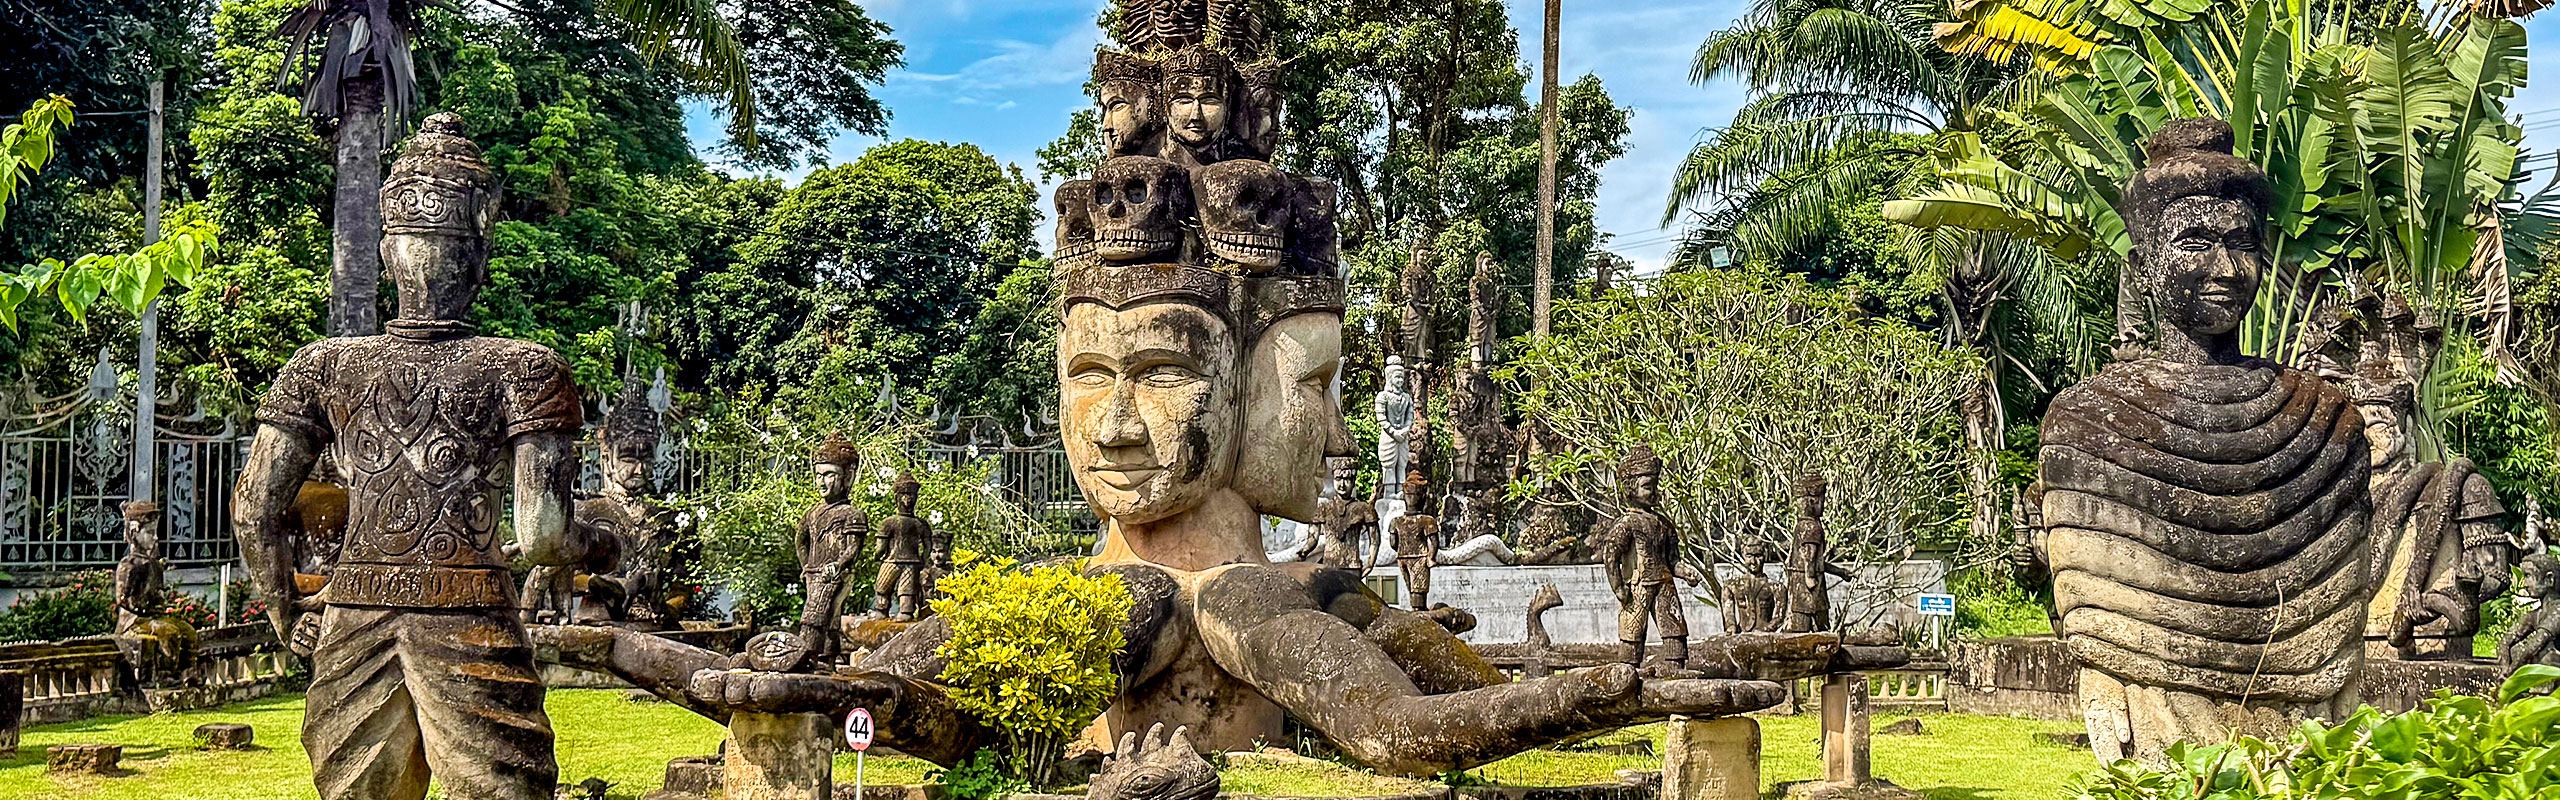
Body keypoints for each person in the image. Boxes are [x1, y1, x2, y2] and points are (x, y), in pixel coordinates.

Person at [231, 114, 587, 800]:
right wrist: (597, 544)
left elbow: (253, 508)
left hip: (352, 617)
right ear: (480, 245)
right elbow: (543, 535)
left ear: (388, 250)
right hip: (470, 615)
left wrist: (286, 611)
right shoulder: (524, 368)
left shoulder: (323, 365)